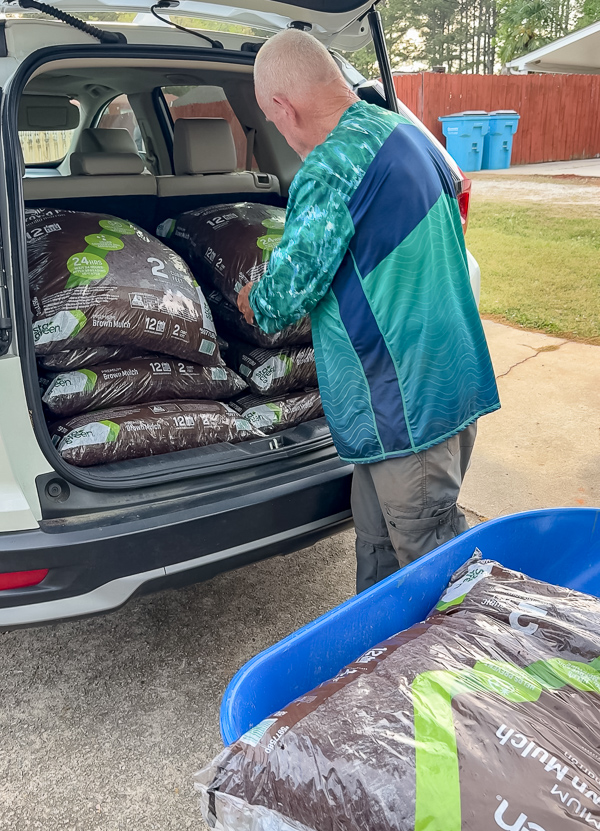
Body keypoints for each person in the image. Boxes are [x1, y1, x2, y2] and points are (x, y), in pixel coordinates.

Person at [238, 29, 500, 593]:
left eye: (271, 118)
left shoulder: (331, 168)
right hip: (440, 385)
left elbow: (281, 299)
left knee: (434, 567)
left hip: (405, 407)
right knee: (379, 545)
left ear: (281, 105)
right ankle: (377, 663)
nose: (279, 131)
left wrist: (249, 297)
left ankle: (462, 675)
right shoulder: (404, 130)